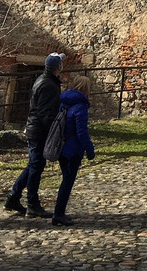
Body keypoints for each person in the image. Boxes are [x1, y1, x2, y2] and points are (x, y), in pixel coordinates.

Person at [4, 52, 63, 218]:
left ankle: (13, 197)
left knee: (34, 165)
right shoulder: (48, 85)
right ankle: (32, 204)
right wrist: (54, 132)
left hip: (35, 128)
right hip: (38, 131)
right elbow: (45, 113)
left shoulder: (44, 80)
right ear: (58, 67)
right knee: (36, 166)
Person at [52, 72, 95, 227]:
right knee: (68, 181)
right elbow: (81, 131)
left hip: (62, 145)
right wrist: (90, 149)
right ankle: (58, 213)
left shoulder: (64, 102)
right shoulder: (80, 107)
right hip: (72, 148)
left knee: (66, 179)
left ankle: (59, 212)